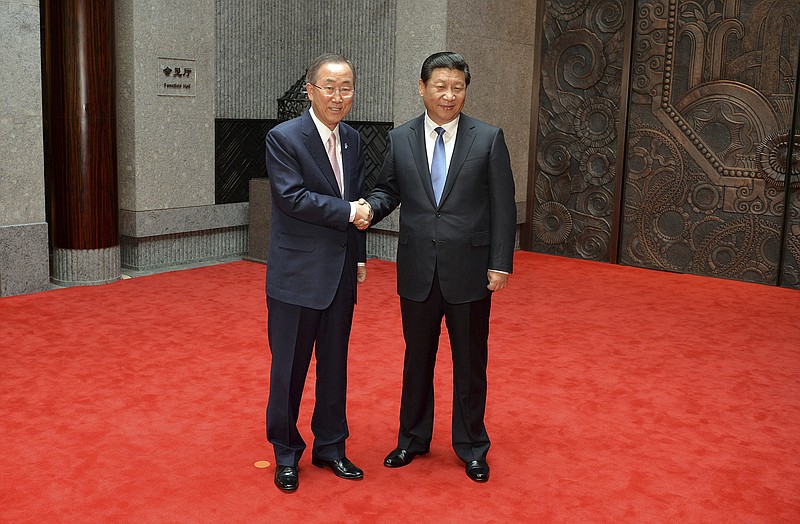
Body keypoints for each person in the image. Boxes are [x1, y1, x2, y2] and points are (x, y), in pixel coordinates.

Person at [362, 51, 516, 483]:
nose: (449, 95)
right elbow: (386, 192)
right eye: (440, 86)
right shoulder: (399, 138)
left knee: (470, 363)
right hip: (417, 269)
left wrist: (500, 262)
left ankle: (471, 445)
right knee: (417, 360)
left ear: (466, 89)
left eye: (458, 87)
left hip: (470, 270)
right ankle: (411, 438)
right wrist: (364, 211)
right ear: (422, 87)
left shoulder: (488, 138)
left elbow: (503, 207)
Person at [264, 53, 372, 492]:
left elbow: (361, 198)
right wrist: (350, 212)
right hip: (295, 276)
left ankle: (331, 446)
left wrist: (360, 256)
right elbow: (292, 198)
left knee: (335, 366)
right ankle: (286, 452)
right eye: (329, 87)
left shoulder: (353, 139)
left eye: (346, 87)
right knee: (288, 368)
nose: (338, 96)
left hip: (341, 273)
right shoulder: (284, 137)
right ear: (309, 90)